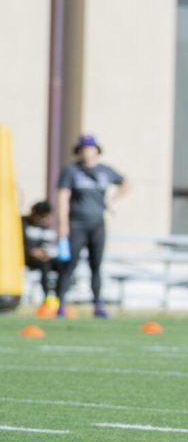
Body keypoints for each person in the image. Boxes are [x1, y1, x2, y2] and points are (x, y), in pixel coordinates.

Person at [55, 134, 127, 318]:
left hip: (97, 225)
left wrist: (111, 200)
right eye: (84, 148)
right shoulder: (71, 171)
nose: (88, 152)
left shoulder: (105, 171)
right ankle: (60, 304)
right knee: (69, 264)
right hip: (76, 225)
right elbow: (63, 197)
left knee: (96, 265)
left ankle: (98, 305)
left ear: (97, 150)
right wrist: (62, 224)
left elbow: (125, 183)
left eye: (91, 148)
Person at [22, 201, 59, 302]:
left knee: (63, 264)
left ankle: (60, 297)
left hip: (43, 258)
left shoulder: (43, 226)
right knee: (45, 265)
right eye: (43, 217)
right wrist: (32, 251)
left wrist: (46, 253)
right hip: (26, 259)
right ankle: (47, 297)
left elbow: (46, 245)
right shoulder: (22, 223)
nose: (45, 219)